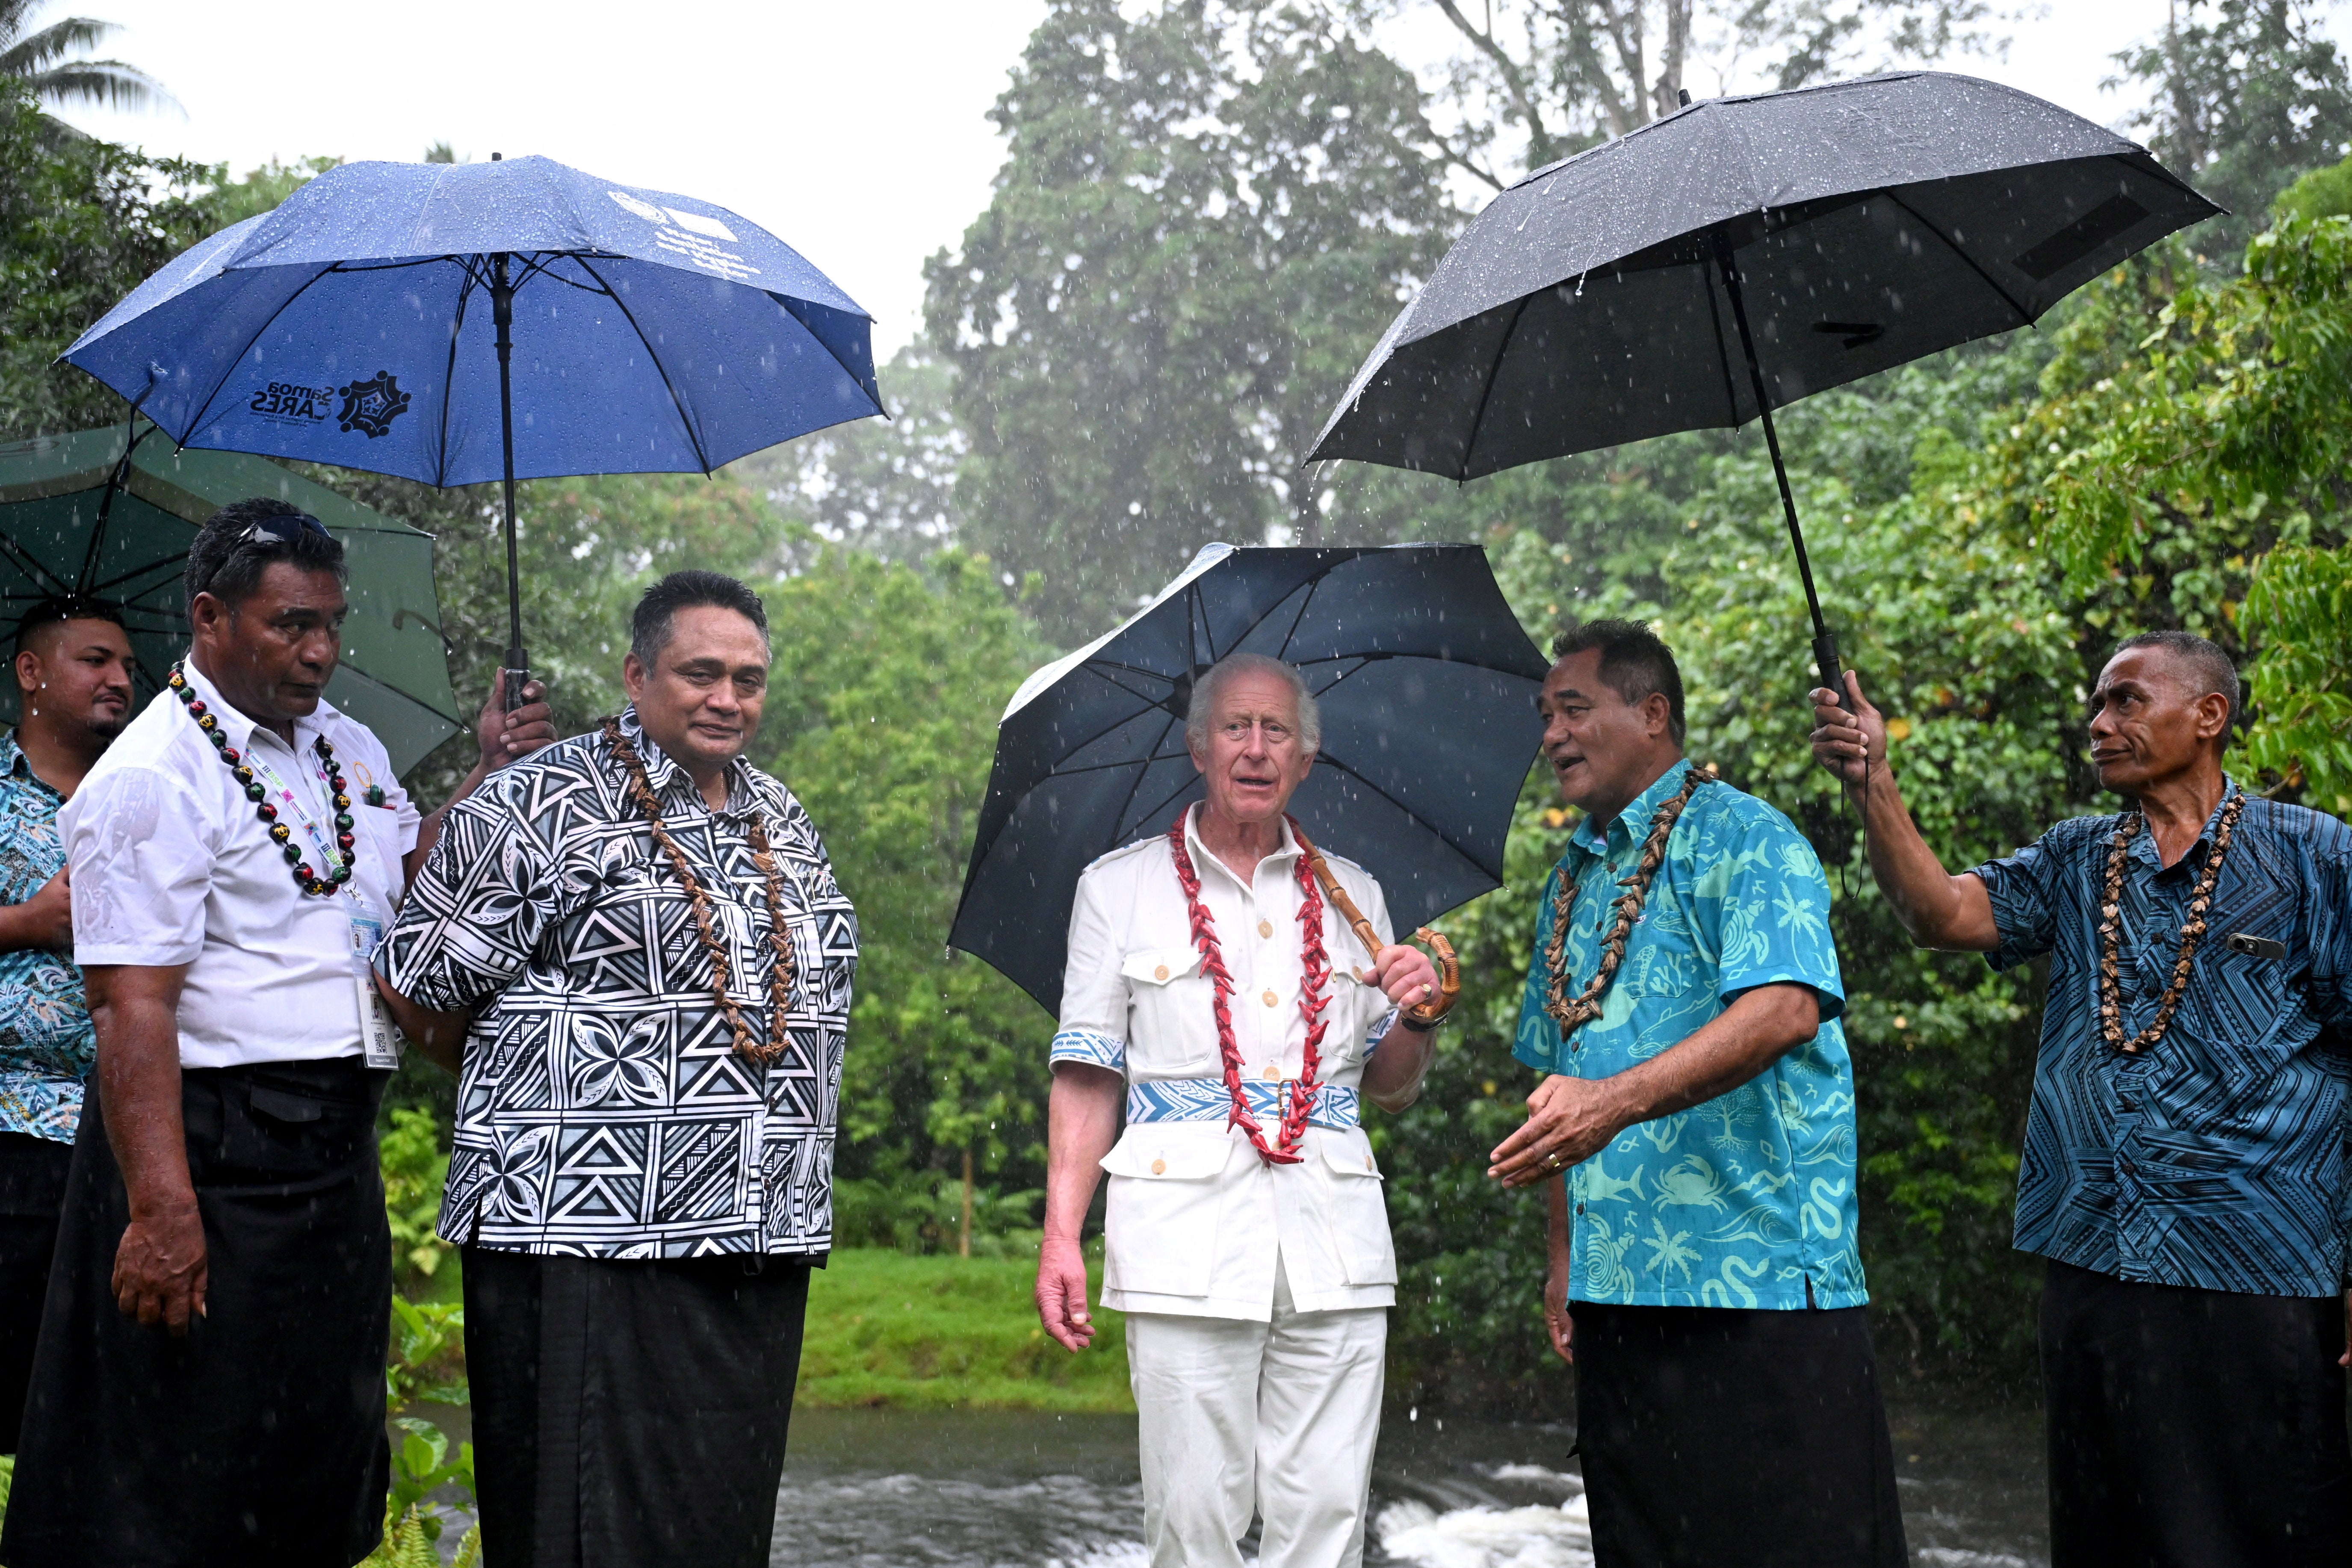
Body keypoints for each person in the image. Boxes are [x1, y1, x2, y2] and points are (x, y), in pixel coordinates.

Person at [0, 498, 553, 1568]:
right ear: (210, 618)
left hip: (328, 1149)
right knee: (180, 1479)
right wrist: (161, 1213)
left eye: (332, 624)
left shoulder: (344, 745)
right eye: (291, 624)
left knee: (313, 1463)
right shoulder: (151, 776)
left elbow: (406, 872)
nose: (320, 651)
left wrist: (490, 772)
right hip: (208, 1151)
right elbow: (130, 1005)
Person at [1809, 630, 2352, 1566]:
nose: (2097, 724)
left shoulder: (2314, 856)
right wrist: (1872, 779)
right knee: (2104, 1535)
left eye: (2125, 701)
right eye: (2096, 705)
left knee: (2260, 1535)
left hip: (2262, 1269)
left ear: (2208, 716)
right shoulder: (2075, 859)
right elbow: (1939, 913)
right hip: (2091, 1262)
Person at [374, 569, 858, 1568]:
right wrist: (548, 1088)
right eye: (701, 673)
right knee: (586, 1531)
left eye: (749, 679)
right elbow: (415, 983)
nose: (729, 698)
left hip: (755, 1241)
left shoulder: (782, 816)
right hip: (584, 1234)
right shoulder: (538, 802)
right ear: (637, 675)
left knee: (714, 1532)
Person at [1498, 620, 1904, 1568]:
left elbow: (1782, 1012)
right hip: (1618, 1289)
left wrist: (1612, 1104)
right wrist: (1564, 1254)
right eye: (1541, 715)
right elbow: (1553, 1080)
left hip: (1761, 1285)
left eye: (1572, 708)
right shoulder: (1567, 882)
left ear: (1652, 713)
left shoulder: (1747, 836)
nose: (1550, 733)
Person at [1036, 650, 1444, 1568]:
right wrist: (1063, 1231)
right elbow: (1088, 1073)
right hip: (1181, 1241)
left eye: (1277, 732)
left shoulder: (1358, 896)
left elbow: (1389, 1082)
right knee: (1191, 1514)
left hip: (1333, 1243)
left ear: (1305, 758)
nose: (1255, 749)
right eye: (1235, 727)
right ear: (1196, 747)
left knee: (1328, 1514)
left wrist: (1418, 1013)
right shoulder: (1117, 887)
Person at [0, 600, 136, 1454]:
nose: (121, 679)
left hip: (129, 1141)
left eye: (127, 664)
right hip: (10, 1130)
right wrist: (25, 921)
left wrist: (488, 767)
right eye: (96, 660)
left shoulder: (151, 796)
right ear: (31, 672)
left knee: (101, 1417)